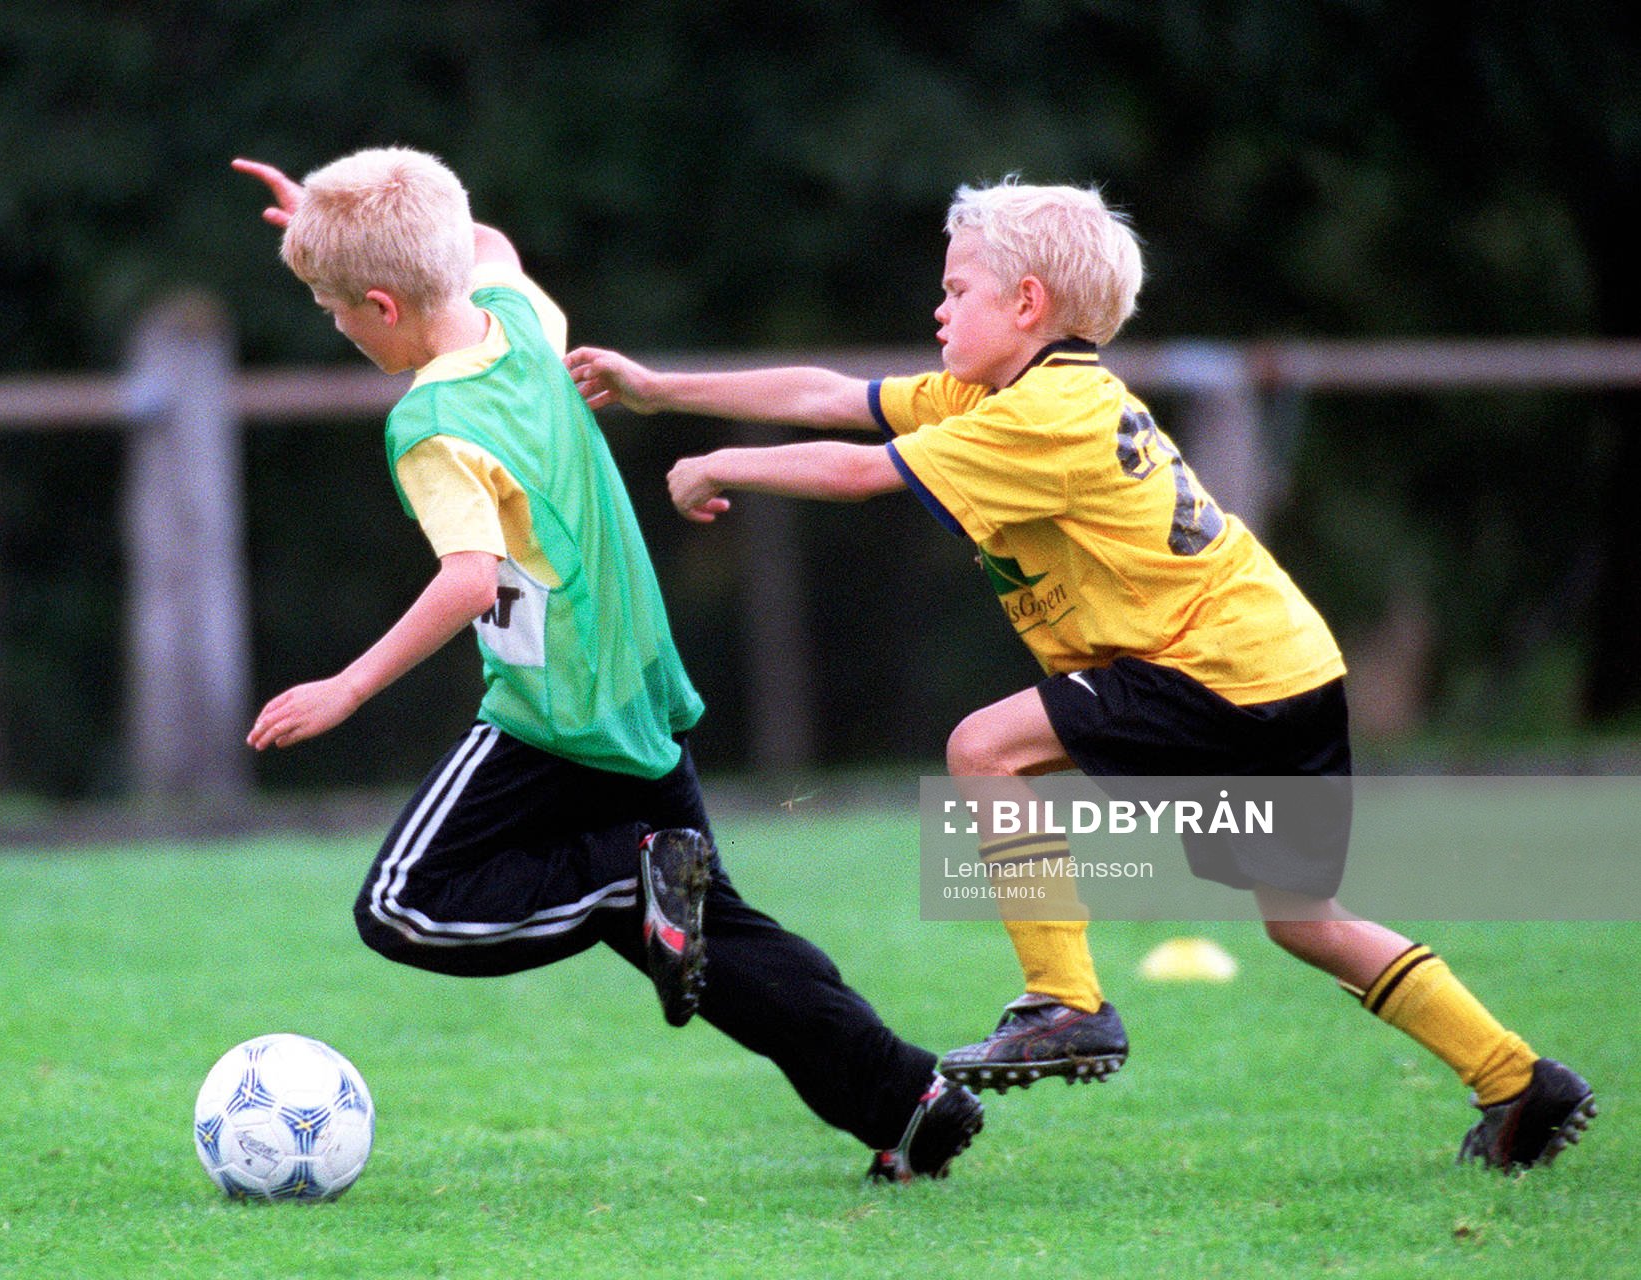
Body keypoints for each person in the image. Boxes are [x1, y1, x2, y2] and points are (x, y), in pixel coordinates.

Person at [564, 178, 1595, 1174]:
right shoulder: (1008, 393)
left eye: (956, 288)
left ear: (1026, 303)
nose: (936, 306)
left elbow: (858, 468)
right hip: (1282, 665)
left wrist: (716, 465)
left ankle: (1063, 1000)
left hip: (1208, 669)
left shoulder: (1035, 415)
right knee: (1303, 917)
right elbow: (833, 399)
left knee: (983, 747)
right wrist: (659, 390)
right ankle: (1516, 1080)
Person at [230, 149, 981, 1182]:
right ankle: (910, 1103)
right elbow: (486, 246)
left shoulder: (431, 424)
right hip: (631, 683)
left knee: (403, 902)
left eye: (331, 306)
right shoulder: (513, 318)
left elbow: (466, 578)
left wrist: (344, 687)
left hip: (553, 710)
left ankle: (622, 879)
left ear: (379, 304)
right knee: (715, 947)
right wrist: (321, 220)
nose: (334, 324)